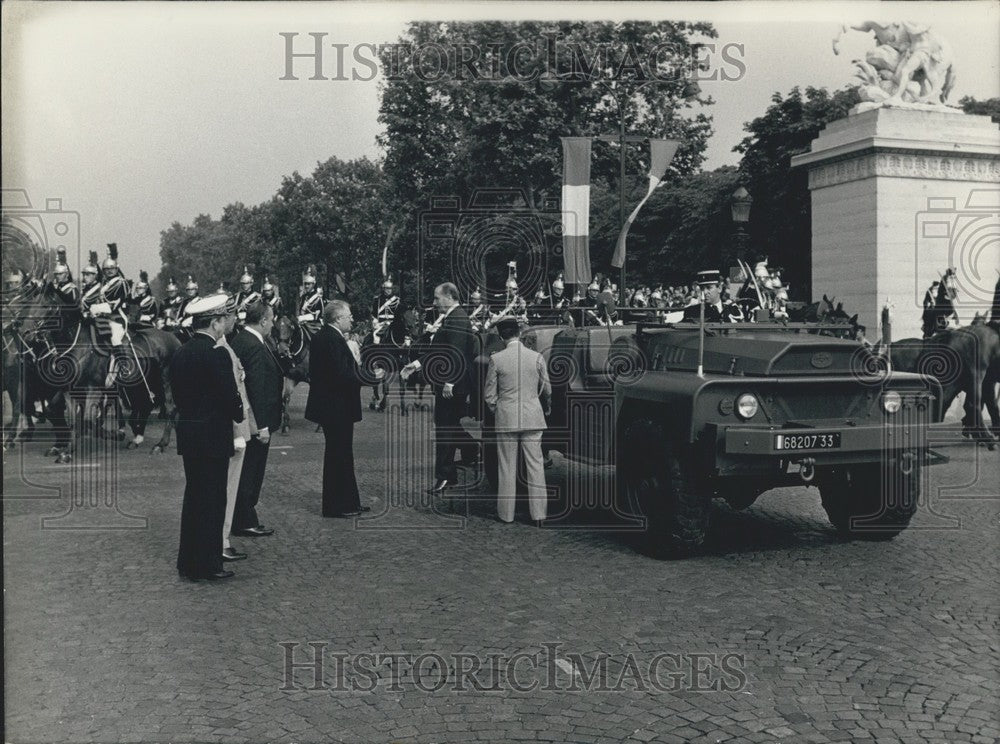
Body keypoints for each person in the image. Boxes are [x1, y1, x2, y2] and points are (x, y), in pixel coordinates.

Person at [171, 294, 245, 581]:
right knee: (213, 501)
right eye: (223, 319)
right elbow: (230, 397)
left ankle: (188, 562)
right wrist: (238, 411)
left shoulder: (181, 352)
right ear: (215, 323)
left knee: (194, 499)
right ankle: (209, 564)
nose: (226, 324)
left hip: (190, 435)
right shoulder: (217, 353)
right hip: (213, 436)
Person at [402, 283, 478, 494]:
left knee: (445, 430)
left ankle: (445, 476)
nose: (434, 303)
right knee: (448, 427)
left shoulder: (457, 318)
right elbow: (439, 351)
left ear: (450, 297)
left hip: (452, 385)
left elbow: (456, 352)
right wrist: (416, 364)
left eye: (437, 298)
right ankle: (469, 454)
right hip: (450, 383)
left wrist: (450, 381)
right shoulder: (452, 317)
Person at [484, 317, 551, 525]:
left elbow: (489, 395)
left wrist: (498, 409)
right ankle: (539, 515)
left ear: (501, 336)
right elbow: (547, 389)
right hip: (533, 416)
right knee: (536, 466)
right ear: (519, 333)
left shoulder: (497, 359)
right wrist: (541, 403)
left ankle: (506, 514)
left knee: (506, 467)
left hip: (507, 417)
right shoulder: (537, 357)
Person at [305, 301, 369, 517]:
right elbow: (342, 374)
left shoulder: (325, 336)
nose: (352, 319)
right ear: (338, 318)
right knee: (338, 455)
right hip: (336, 407)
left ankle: (349, 501)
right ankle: (337, 506)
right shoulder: (332, 339)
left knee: (342, 454)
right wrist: (369, 377)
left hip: (333, 406)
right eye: (349, 316)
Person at [231, 301, 284, 536]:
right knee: (251, 471)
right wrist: (262, 425)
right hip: (255, 421)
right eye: (271, 320)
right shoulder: (254, 345)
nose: (273, 324)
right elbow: (257, 388)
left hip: (248, 418)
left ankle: (240, 517)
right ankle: (245, 520)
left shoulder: (242, 339)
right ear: (263, 321)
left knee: (247, 470)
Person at [213, 294, 254, 563]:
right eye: (231, 317)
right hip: (232, 430)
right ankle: (222, 540)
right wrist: (239, 431)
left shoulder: (226, 346)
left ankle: (221, 537)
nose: (234, 321)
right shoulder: (223, 350)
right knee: (226, 488)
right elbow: (231, 395)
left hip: (236, 427)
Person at [297, 265, 324, 340]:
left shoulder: (317, 298)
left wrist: (303, 318)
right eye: (305, 284)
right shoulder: (303, 297)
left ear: (313, 284)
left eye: (308, 284)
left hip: (314, 326)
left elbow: (319, 314)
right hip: (302, 324)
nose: (306, 286)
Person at [370, 277, 400, 344]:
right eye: (387, 288)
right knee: (376, 336)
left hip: (393, 323)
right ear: (383, 289)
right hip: (381, 324)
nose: (389, 290)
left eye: (390, 288)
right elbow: (373, 313)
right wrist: (375, 321)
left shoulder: (396, 300)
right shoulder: (377, 300)